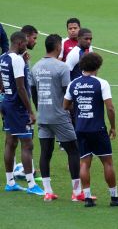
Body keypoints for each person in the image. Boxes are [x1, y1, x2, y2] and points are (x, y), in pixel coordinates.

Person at [63, 52, 118, 208]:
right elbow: (110, 108)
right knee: (107, 162)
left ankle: (87, 198)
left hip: (81, 128)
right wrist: (113, 127)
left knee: (84, 163)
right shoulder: (101, 83)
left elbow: (65, 106)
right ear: (97, 66)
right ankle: (114, 197)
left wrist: (79, 109)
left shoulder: (74, 83)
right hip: (97, 128)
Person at [31, 34, 83, 202]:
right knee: (73, 150)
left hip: (43, 116)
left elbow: (33, 93)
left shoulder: (36, 67)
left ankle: (48, 191)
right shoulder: (61, 68)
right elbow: (68, 93)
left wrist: (40, 109)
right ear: (58, 47)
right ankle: (76, 192)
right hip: (60, 116)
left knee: (46, 152)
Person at [1, 31, 44, 195]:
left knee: (10, 142)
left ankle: (10, 182)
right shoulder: (17, 60)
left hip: (6, 103)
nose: (27, 46)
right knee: (27, 144)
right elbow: (21, 87)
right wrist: (30, 111)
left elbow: (3, 82)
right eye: (25, 43)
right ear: (19, 43)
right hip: (17, 108)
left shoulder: (4, 57)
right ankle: (32, 185)